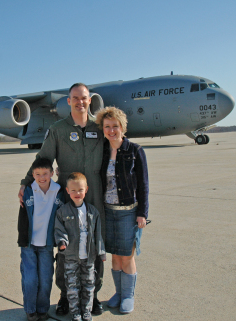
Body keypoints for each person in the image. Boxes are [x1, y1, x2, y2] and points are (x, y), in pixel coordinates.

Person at [19, 83, 105, 316]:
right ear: (69, 101)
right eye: (75, 98)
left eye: (84, 98)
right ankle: (66, 295)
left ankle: (93, 294)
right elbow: (43, 157)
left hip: (95, 192)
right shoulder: (59, 129)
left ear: (90, 100)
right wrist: (26, 182)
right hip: (67, 195)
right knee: (65, 246)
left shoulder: (100, 127)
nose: (80, 102)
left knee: (93, 245)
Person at [95, 107, 149, 314]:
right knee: (115, 256)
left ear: (122, 127)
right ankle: (118, 292)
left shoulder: (135, 151)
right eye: (107, 127)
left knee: (127, 256)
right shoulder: (102, 152)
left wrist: (142, 213)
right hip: (108, 211)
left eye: (114, 126)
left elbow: (143, 185)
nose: (111, 130)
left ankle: (128, 295)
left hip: (128, 211)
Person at [17, 158, 65, 321]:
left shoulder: (59, 192)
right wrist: (22, 240)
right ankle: (31, 310)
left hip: (47, 244)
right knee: (30, 279)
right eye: (37, 174)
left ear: (52, 173)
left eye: (45, 173)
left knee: (45, 279)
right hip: (29, 244)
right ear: (33, 175)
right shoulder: (28, 191)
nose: (42, 177)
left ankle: (43, 309)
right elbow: (22, 218)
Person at [54, 172, 106, 321]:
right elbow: (59, 229)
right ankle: (75, 313)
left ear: (86, 189)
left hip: (88, 258)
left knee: (89, 285)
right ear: (67, 190)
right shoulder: (62, 212)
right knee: (72, 287)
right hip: (70, 257)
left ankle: (86, 311)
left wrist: (101, 251)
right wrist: (62, 242)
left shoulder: (93, 212)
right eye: (74, 190)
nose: (77, 193)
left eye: (80, 190)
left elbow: (98, 233)